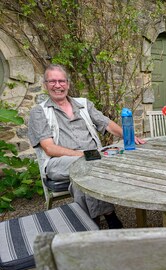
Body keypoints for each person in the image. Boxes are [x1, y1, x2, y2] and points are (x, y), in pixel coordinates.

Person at [28, 64, 145, 228]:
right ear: (45, 85)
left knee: (84, 176)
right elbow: (49, 148)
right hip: (57, 162)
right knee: (85, 165)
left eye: (61, 81)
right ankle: (109, 215)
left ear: (67, 84)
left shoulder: (83, 104)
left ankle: (89, 225)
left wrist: (129, 136)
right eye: (52, 81)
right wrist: (82, 155)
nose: (57, 85)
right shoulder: (39, 112)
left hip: (92, 157)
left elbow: (107, 124)